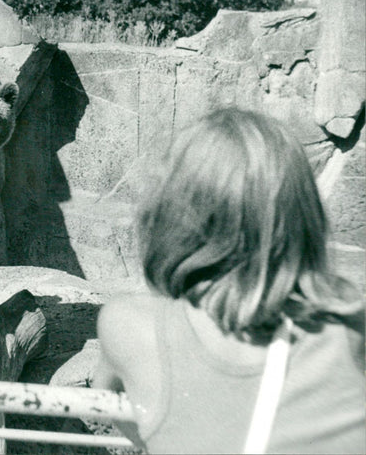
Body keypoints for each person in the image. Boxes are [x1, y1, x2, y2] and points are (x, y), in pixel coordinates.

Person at [92, 108, 366, 454]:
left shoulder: (126, 324)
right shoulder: (347, 323)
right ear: (303, 215)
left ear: (168, 212)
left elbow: (112, 405)